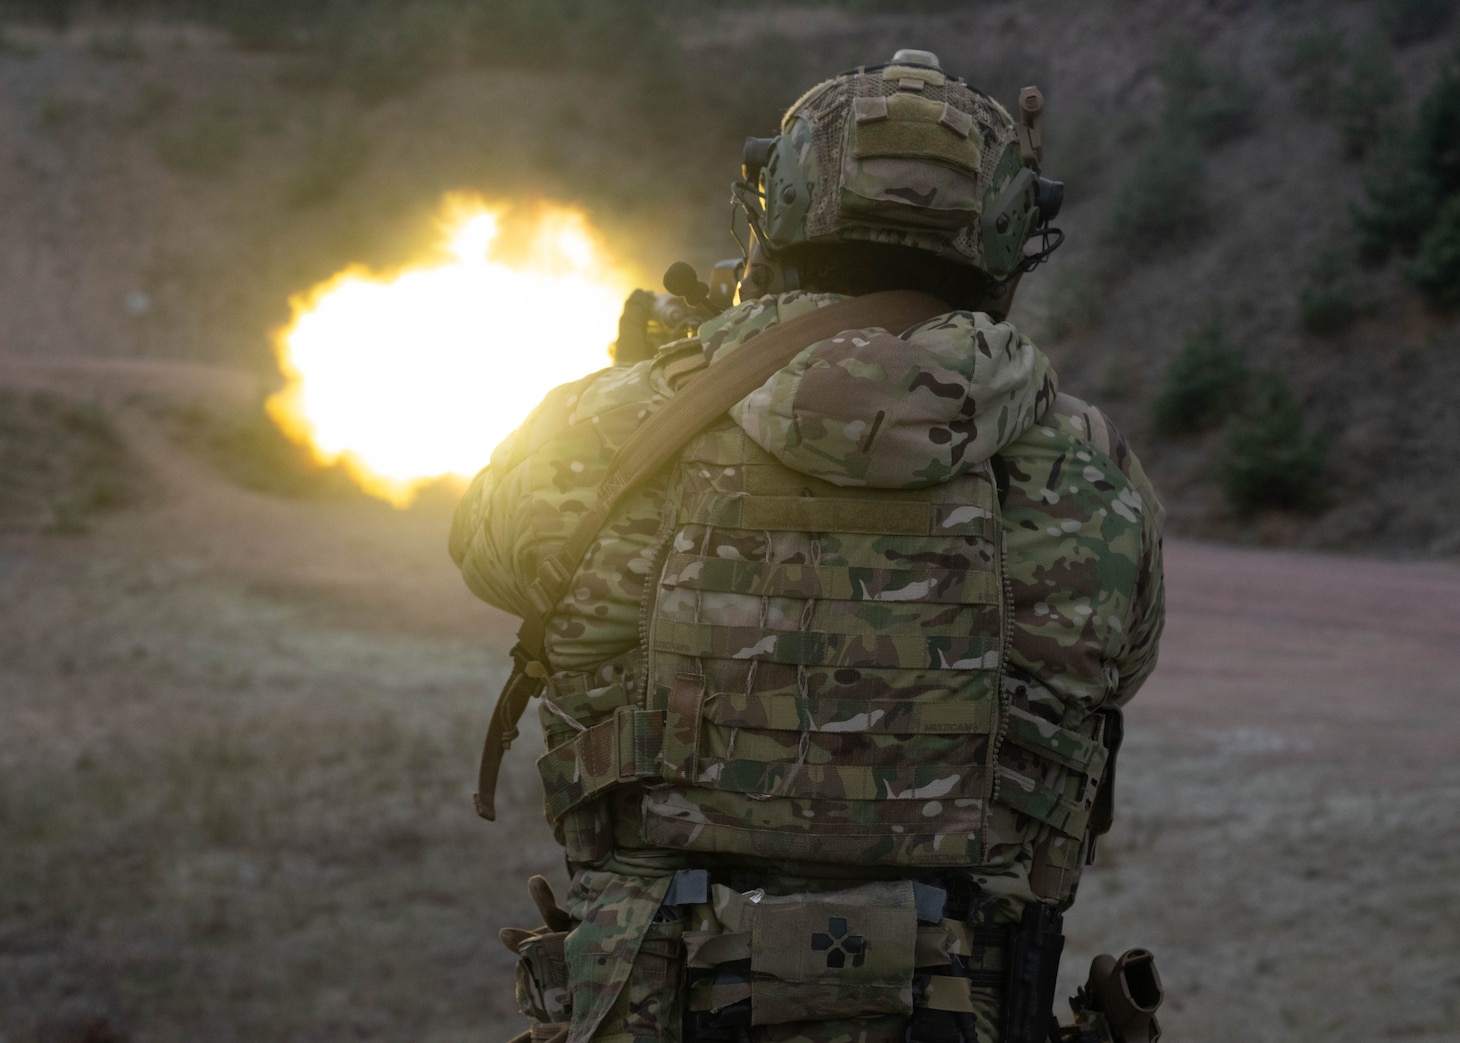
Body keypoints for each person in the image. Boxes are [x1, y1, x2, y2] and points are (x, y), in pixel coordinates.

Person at [450, 48, 1165, 1043]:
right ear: (1005, 233)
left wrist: (652, 383)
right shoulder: (1095, 472)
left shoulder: (615, 428)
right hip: (965, 1003)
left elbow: (484, 548)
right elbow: (1115, 667)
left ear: (777, 206)